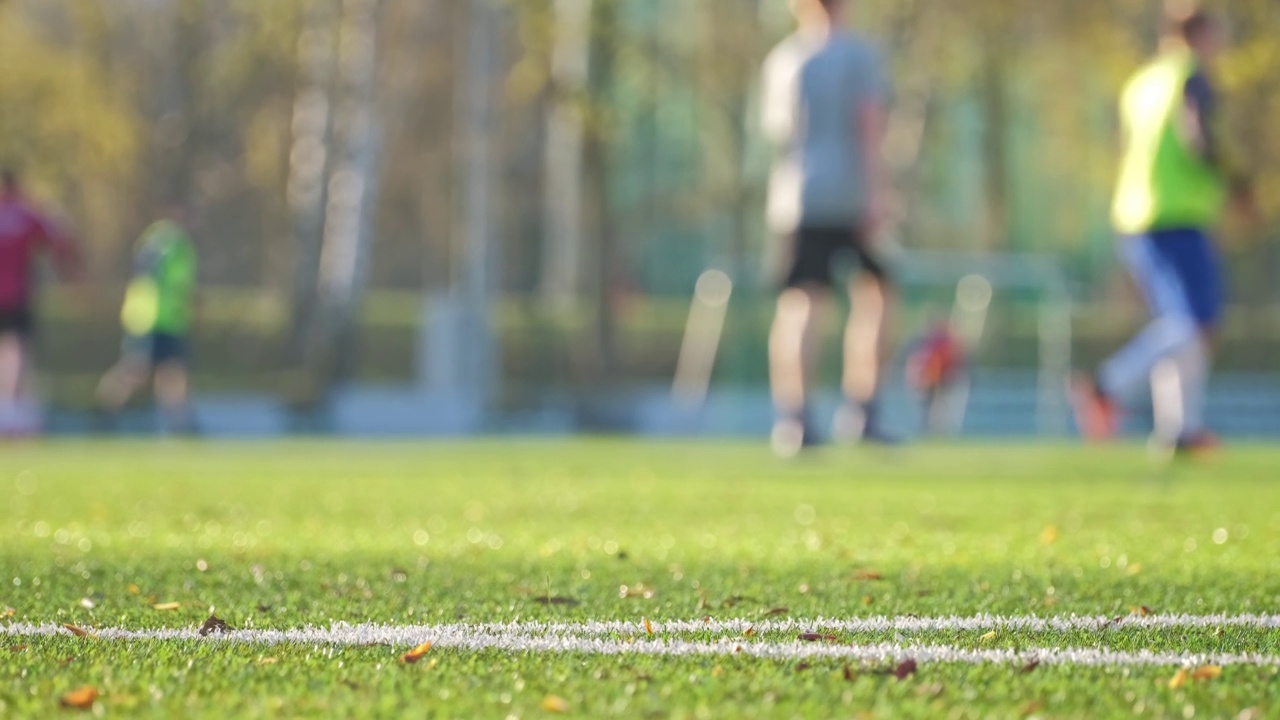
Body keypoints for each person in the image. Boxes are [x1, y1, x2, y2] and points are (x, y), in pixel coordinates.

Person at [1073, 10, 1254, 454]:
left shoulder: (1143, 82)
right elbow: (1196, 136)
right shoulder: (1190, 76)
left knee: (1179, 323)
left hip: (1135, 215)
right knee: (1197, 323)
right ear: (1196, 35)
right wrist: (1235, 182)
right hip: (1175, 215)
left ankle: (1179, 430)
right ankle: (1106, 385)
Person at [760, 0, 895, 456]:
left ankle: (793, 420)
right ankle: (861, 409)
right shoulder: (856, 54)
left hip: (794, 197)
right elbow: (868, 122)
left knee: (801, 303)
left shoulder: (781, 58)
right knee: (876, 294)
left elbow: (776, 131)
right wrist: (877, 191)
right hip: (848, 194)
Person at [97, 203, 199, 434]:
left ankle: (179, 425)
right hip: (149, 319)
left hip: (171, 320)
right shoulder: (163, 240)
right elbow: (147, 270)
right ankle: (105, 412)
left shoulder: (179, 244)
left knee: (173, 372)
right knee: (136, 370)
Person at [0, 169, 81, 436]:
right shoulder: (25, 214)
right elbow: (60, 238)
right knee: (19, 350)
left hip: (13, 295)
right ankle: (10, 411)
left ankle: (10, 410)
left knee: (10, 351)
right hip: (17, 295)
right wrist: (70, 278)